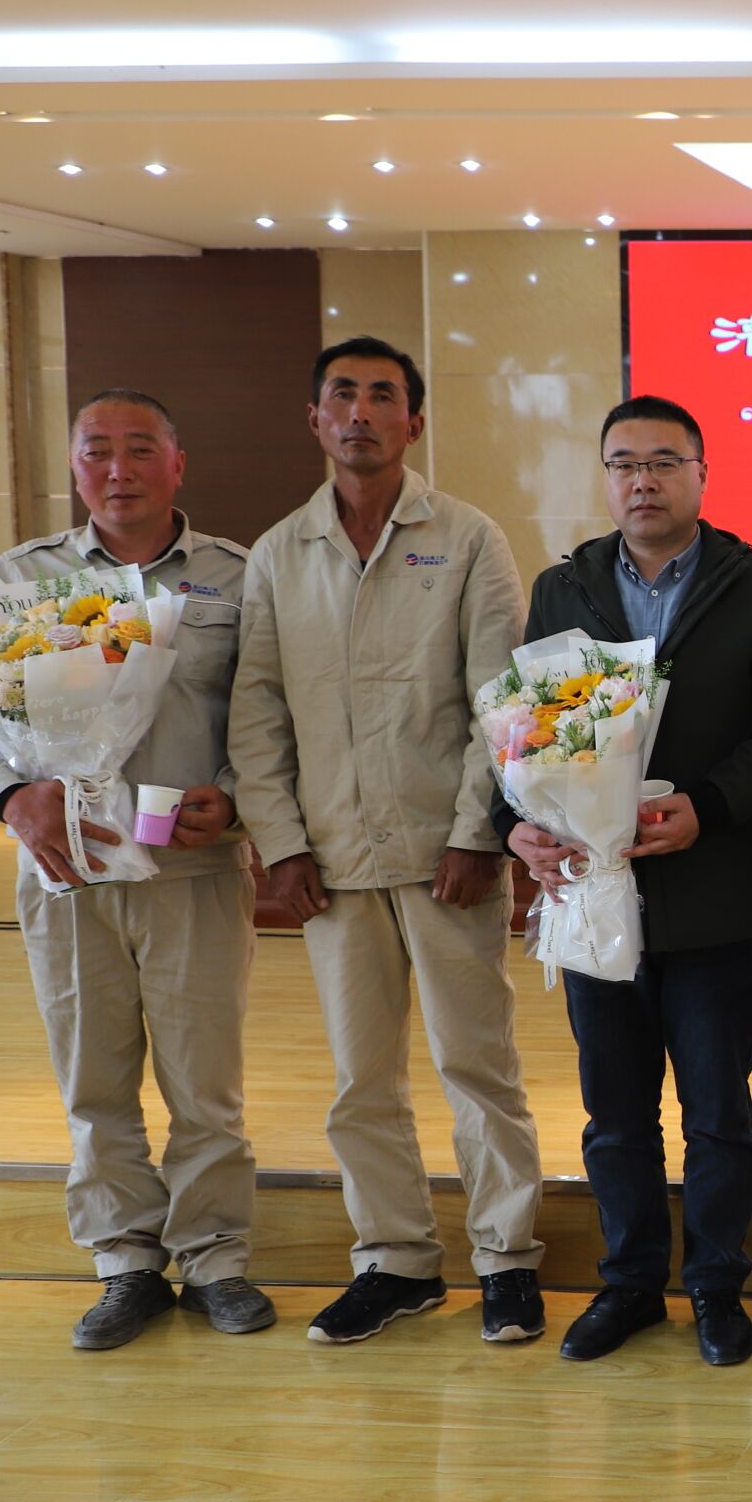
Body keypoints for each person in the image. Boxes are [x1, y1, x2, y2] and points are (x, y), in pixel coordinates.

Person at [229, 336, 545, 1346]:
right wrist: (280, 843)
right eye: (341, 395)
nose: (360, 412)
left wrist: (478, 832)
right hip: (330, 861)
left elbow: (502, 698)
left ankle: (506, 1258)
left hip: (449, 856)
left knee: (476, 1065)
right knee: (360, 1080)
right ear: (315, 419)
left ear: (414, 420)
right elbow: (256, 711)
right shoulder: (280, 553)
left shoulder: (467, 538)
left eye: (381, 396)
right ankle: (396, 1261)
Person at [501, 397, 752, 1369]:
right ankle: (631, 1284)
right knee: (615, 1114)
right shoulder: (564, 587)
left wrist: (709, 805)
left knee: (718, 1112)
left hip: (714, 885)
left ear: (701, 474)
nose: (643, 480)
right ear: (606, 478)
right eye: (624, 463)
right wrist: (518, 824)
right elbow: (525, 727)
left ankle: (717, 1286)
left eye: (664, 462)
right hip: (593, 888)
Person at [0, 390, 271, 1351]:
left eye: (140, 449)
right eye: (97, 451)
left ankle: (214, 1259)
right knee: (93, 1080)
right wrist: (13, 798)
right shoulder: (22, 580)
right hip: (68, 872)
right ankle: (125, 1261)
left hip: (193, 871)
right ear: (75, 466)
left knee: (205, 1085)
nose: (118, 470)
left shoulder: (237, 578)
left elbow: (271, 714)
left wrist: (236, 800)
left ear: (178, 463)